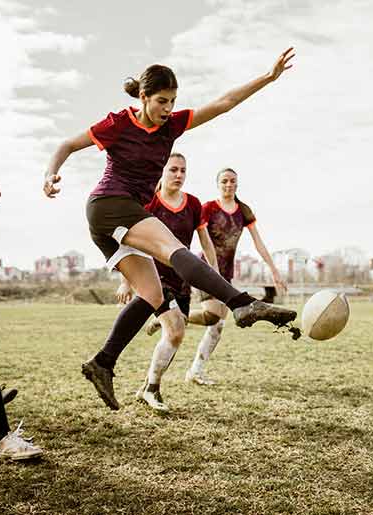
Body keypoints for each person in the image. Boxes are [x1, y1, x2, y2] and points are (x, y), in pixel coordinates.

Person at [43, 48, 297, 411]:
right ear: (143, 97)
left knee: (160, 305)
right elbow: (66, 144)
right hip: (109, 206)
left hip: (118, 221)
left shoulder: (172, 125)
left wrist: (267, 78)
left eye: (173, 101)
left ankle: (102, 363)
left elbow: (224, 103)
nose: (167, 108)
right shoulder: (118, 124)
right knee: (174, 247)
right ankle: (242, 304)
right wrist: (50, 173)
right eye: (162, 100)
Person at [116, 153, 218, 412]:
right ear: (162, 172)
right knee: (175, 330)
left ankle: (148, 386)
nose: (179, 175)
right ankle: (152, 389)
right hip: (153, 277)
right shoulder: (148, 203)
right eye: (173, 170)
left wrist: (214, 277)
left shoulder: (194, 204)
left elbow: (205, 242)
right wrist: (126, 281)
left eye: (183, 170)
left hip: (182, 279)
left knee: (175, 335)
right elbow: (127, 241)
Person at [184, 168, 287, 385]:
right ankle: (173, 318)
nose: (228, 185)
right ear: (218, 184)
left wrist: (274, 270)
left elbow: (258, 243)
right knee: (213, 316)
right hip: (206, 269)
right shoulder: (208, 208)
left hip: (226, 274)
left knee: (217, 325)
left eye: (232, 181)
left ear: (237, 184)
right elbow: (199, 237)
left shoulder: (244, 211)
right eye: (224, 181)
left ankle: (195, 370)